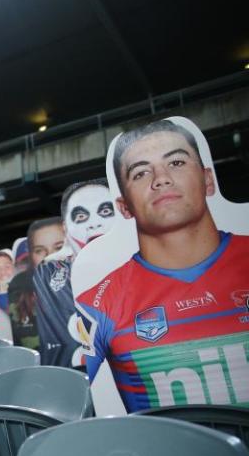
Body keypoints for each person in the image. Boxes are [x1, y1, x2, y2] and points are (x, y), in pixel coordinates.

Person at [76, 119, 249, 411]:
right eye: (141, 172)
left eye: (177, 162)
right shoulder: (96, 304)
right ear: (124, 206)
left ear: (208, 180)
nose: (161, 178)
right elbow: (67, 408)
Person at [34, 179, 115, 367]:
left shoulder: (151, 261)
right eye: (81, 217)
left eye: (105, 212)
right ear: (65, 228)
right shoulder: (52, 274)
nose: (94, 224)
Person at [7, 218, 65, 349]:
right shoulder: (20, 289)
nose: (50, 256)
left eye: (59, 247)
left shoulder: (93, 284)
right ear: (32, 256)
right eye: (40, 250)